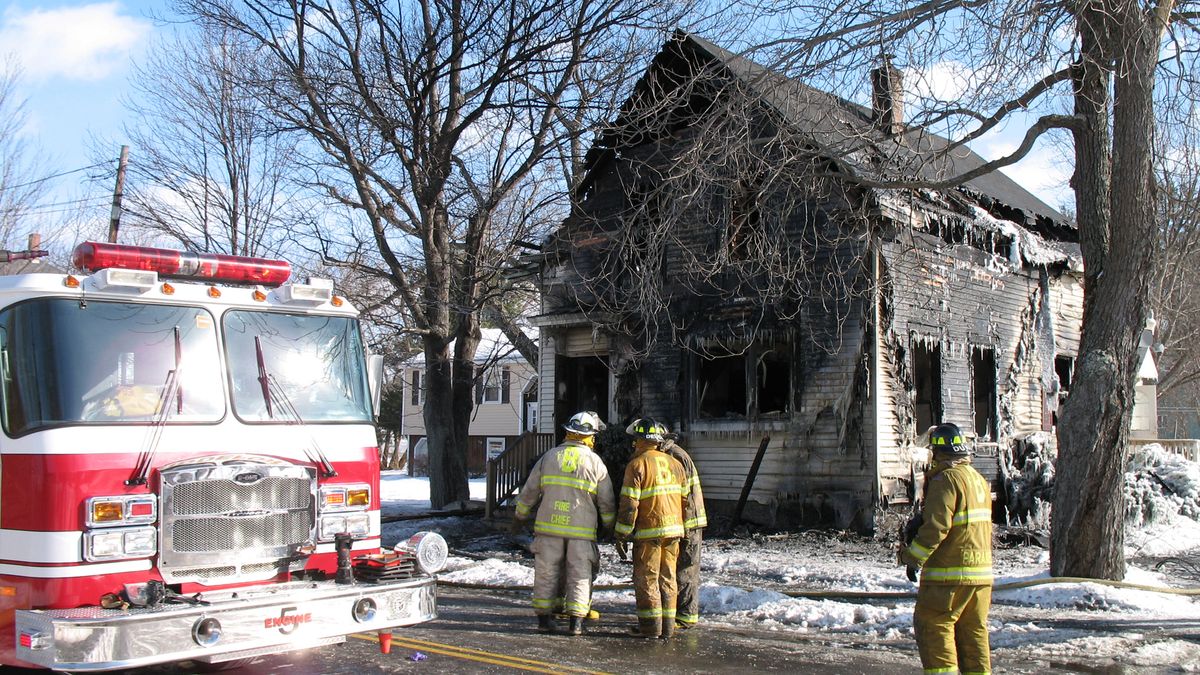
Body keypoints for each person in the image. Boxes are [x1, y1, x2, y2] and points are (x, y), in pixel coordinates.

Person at [899, 422, 994, 675]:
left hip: (948, 578)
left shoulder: (946, 479)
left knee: (934, 627)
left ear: (938, 452)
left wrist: (912, 557)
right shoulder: (978, 480)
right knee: (973, 637)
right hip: (981, 578)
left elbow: (937, 527)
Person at [512, 410, 615, 636]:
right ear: (588, 436)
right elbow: (606, 501)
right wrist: (609, 525)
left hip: (549, 529)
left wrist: (520, 516)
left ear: (568, 432)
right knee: (580, 574)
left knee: (546, 572)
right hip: (581, 531)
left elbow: (529, 490)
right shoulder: (595, 462)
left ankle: (544, 620)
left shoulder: (549, 457)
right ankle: (576, 624)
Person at [615, 418, 689, 639]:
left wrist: (622, 533)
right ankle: (667, 629)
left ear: (639, 441)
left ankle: (650, 628)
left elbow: (629, 504)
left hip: (650, 532)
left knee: (647, 578)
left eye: (635, 440)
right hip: (674, 531)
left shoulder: (636, 465)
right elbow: (686, 500)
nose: (633, 444)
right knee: (668, 578)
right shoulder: (675, 464)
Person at [661, 432, 706, 631]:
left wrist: (682, 524)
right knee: (681, 566)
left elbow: (683, 494)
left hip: (689, 521)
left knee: (686, 568)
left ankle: (687, 616)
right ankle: (682, 612)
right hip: (686, 519)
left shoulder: (675, 456)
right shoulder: (671, 453)